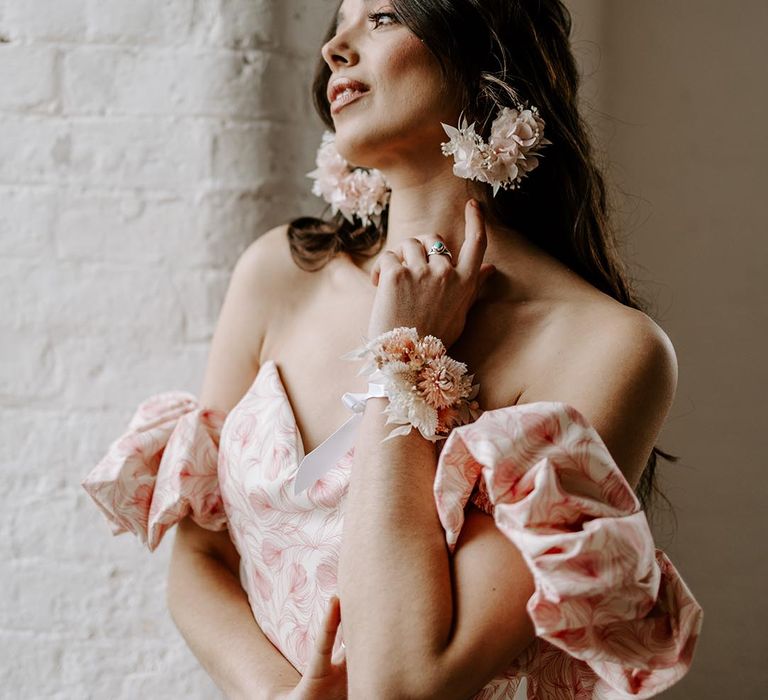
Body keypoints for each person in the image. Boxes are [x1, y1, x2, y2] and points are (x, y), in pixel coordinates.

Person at [82, 1, 703, 698]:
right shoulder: (279, 275)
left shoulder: (608, 348)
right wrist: (281, 695)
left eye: (381, 16)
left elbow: (403, 682)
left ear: (485, 50)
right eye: (337, 23)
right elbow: (199, 554)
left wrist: (406, 356)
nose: (334, 49)